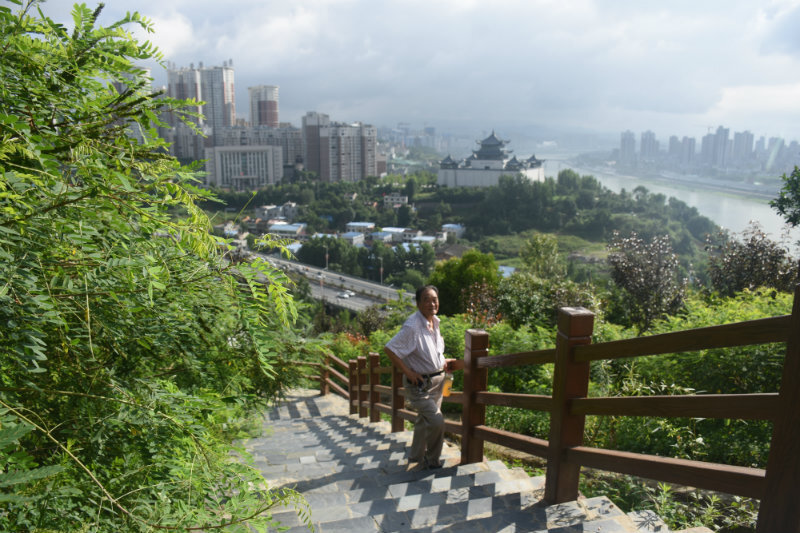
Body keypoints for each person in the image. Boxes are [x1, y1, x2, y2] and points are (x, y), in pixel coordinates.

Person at [384, 285, 463, 469]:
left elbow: (432, 351)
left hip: (438, 381)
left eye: (434, 299)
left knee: (423, 420)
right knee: (436, 420)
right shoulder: (412, 326)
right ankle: (432, 460)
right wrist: (408, 372)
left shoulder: (435, 322)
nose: (431, 303)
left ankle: (415, 456)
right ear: (418, 303)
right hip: (420, 384)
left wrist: (443, 361)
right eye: (426, 299)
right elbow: (390, 349)